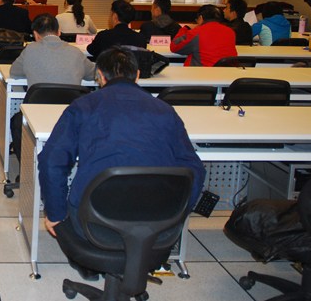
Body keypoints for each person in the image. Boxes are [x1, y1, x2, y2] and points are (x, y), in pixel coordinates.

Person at [38, 45, 205, 276]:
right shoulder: (166, 111)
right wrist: (176, 215)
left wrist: (56, 215)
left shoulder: (83, 107)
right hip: (157, 223)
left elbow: (51, 161)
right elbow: (195, 169)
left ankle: (89, 263)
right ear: (137, 75)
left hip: (93, 223)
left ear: (100, 76)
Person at [8, 13, 96, 164]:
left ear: (36, 34)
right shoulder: (76, 52)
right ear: (59, 31)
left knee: (17, 121)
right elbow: (93, 75)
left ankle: (28, 166)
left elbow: (14, 72)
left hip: (37, 114)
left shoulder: (30, 50)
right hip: (70, 114)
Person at [171, 5, 237, 66]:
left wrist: (186, 28)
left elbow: (174, 46)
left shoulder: (196, 32)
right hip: (228, 72)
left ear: (201, 17)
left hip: (203, 72)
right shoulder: (231, 32)